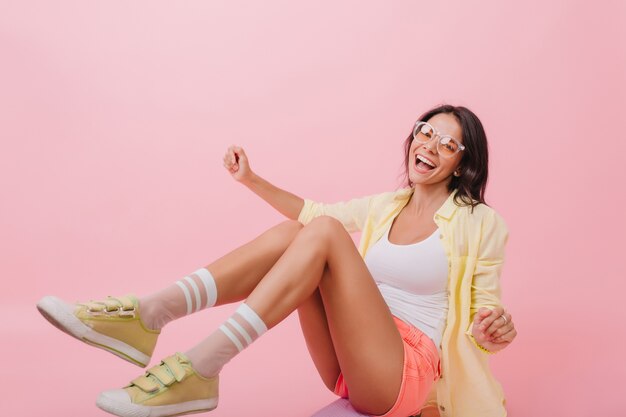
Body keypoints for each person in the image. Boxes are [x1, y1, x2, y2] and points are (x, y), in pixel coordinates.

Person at [36, 104, 517, 417]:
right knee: (301, 232)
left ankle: (199, 363)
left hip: (402, 372)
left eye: (446, 143)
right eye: (424, 132)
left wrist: (490, 330)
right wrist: (252, 179)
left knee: (323, 234)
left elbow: (483, 315)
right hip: (350, 356)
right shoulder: (387, 205)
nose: (428, 146)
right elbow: (313, 215)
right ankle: (151, 313)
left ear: (463, 163)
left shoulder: (479, 223)